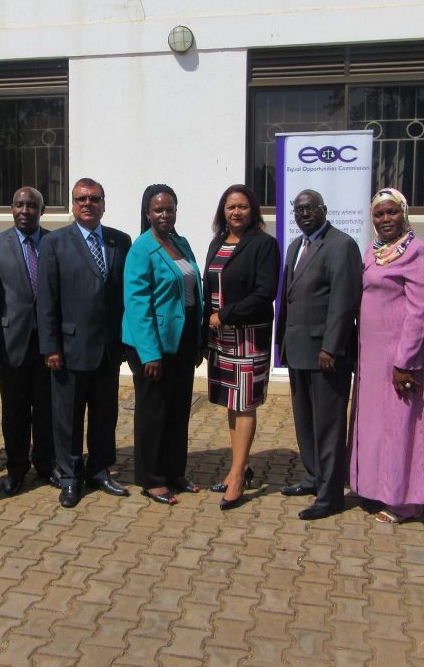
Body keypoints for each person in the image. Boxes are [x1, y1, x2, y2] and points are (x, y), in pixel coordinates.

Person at [348, 188, 424, 523]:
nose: (385, 219)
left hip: (403, 358)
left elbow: (420, 312)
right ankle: (379, 488)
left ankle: (408, 501)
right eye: (378, 214)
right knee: (377, 426)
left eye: (391, 212)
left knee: (404, 427)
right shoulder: (375, 252)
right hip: (372, 358)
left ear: (404, 213)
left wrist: (406, 361)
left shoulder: (418, 253)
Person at [37, 178, 132, 508]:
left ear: (104, 204)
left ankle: (100, 469)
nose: (88, 204)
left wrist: (124, 342)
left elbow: (124, 295)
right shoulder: (55, 243)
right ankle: (71, 476)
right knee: (68, 418)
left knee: (106, 414)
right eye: (81, 199)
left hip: (108, 348)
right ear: (72, 205)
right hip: (68, 349)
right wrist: (50, 347)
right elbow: (46, 299)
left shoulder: (120, 241)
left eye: (94, 199)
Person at [276, 189, 362, 520]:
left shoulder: (342, 245)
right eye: (299, 210)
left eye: (311, 209)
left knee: (328, 425)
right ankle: (314, 477)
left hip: (325, 354)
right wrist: (281, 342)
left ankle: (330, 495)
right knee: (306, 422)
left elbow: (344, 301)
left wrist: (332, 346)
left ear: (325, 210)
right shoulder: (296, 246)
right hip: (297, 349)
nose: (305, 214)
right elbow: (289, 299)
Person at [122, 184, 204, 506]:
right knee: (153, 412)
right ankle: (152, 479)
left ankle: (174, 472)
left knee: (178, 410)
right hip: (152, 345)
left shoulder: (180, 243)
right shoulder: (141, 249)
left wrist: (197, 340)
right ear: (147, 213)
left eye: (169, 209)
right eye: (158, 210)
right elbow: (137, 303)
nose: (164, 215)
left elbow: (192, 291)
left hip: (182, 341)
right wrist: (150, 353)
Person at [203, 184, 280, 510]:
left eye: (243, 207)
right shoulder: (217, 243)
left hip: (249, 336)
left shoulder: (264, 245)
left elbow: (265, 293)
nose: (237, 212)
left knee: (245, 402)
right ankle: (241, 466)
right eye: (231, 207)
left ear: (253, 211)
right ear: (223, 211)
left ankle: (235, 477)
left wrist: (225, 315)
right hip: (221, 337)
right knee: (231, 403)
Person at [0, 186, 57, 496]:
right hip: (11, 343)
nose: (24, 210)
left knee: (47, 409)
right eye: (19, 204)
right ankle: (15, 468)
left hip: (48, 345)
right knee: (14, 411)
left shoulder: (55, 242)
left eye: (31, 205)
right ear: (12, 208)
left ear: (42, 210)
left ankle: (46, 463)